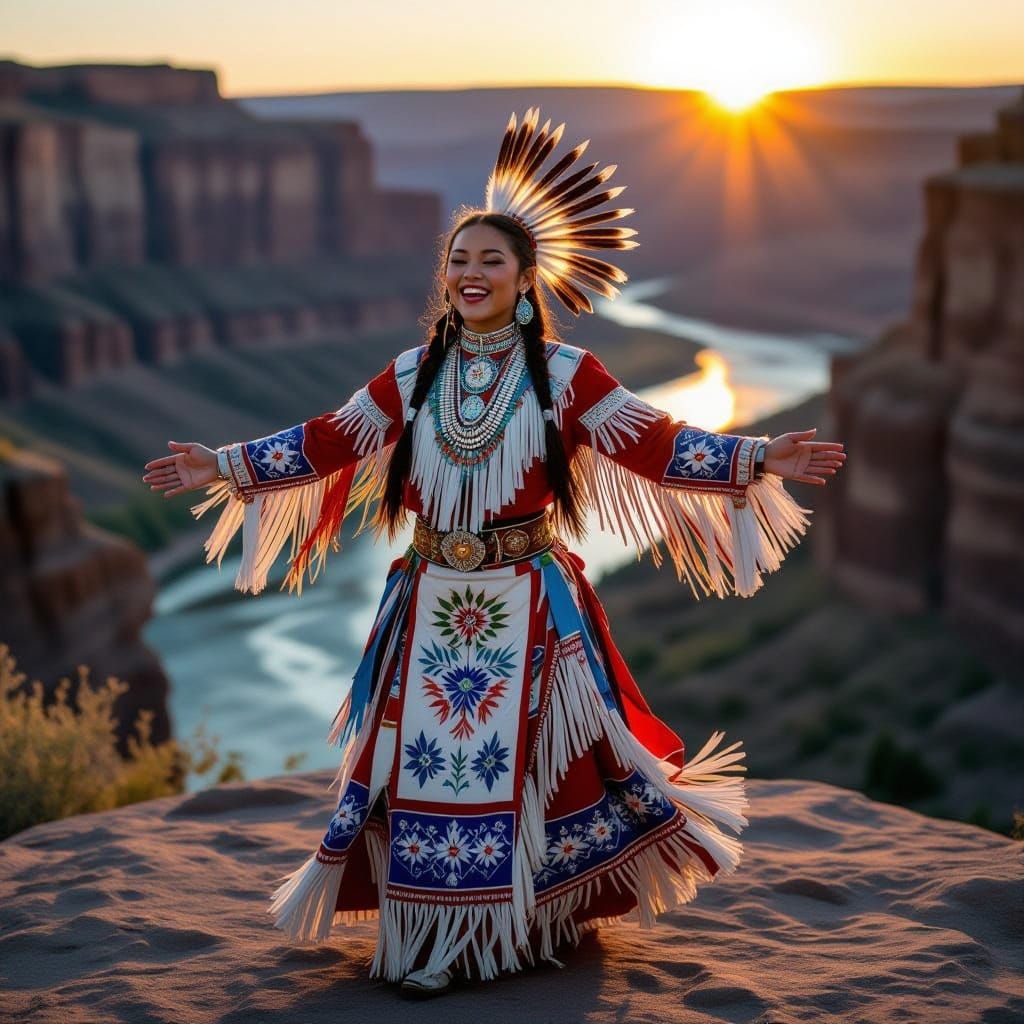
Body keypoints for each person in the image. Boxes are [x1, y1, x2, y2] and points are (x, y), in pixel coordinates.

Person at [142, 106, 845, 997]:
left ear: (524, 278)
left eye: (491, 261)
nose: (471, 274)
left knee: (520, 775)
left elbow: (653, 444)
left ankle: (521, 929)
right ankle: (433, 940)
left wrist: (755, 456)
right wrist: (227, 465)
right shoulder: (412, 373)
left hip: (527, 602)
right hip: (432, 600)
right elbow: (331, 441)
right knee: (430, 773)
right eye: (459, 260)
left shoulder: (566, 374)